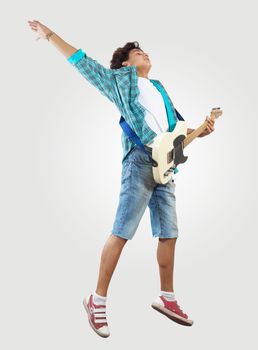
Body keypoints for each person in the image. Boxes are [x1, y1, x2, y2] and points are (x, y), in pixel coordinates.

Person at [28, 20, 215, 338]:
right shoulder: (119, 81)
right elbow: (82, 62)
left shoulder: (159, 89)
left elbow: (177, 137)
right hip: (139, 162)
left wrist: (202, 129)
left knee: (169, 234)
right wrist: (50, 36)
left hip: (165, 166)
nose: (143, 52)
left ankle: (167, 298)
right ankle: (96, 300)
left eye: (144, 50)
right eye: (136, 52)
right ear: (125, 63)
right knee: (123, 230)